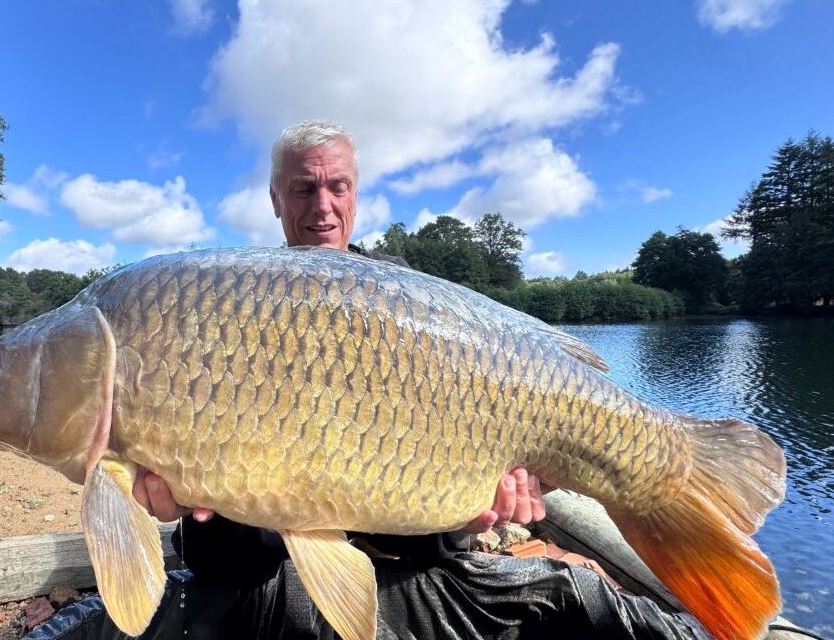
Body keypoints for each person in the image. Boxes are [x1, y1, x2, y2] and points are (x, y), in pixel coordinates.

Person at [115, 121, 712, 639]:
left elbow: (439, 544)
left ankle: (672, 477)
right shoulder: (228, 311)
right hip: (272, 575)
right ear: (275, 199)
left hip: (407, 567)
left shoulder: (412, 303)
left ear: (355, 195)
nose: (322, 204)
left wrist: (475, 514)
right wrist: (186, 498)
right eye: (303, 188)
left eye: (337, 186)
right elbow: (219, 558)